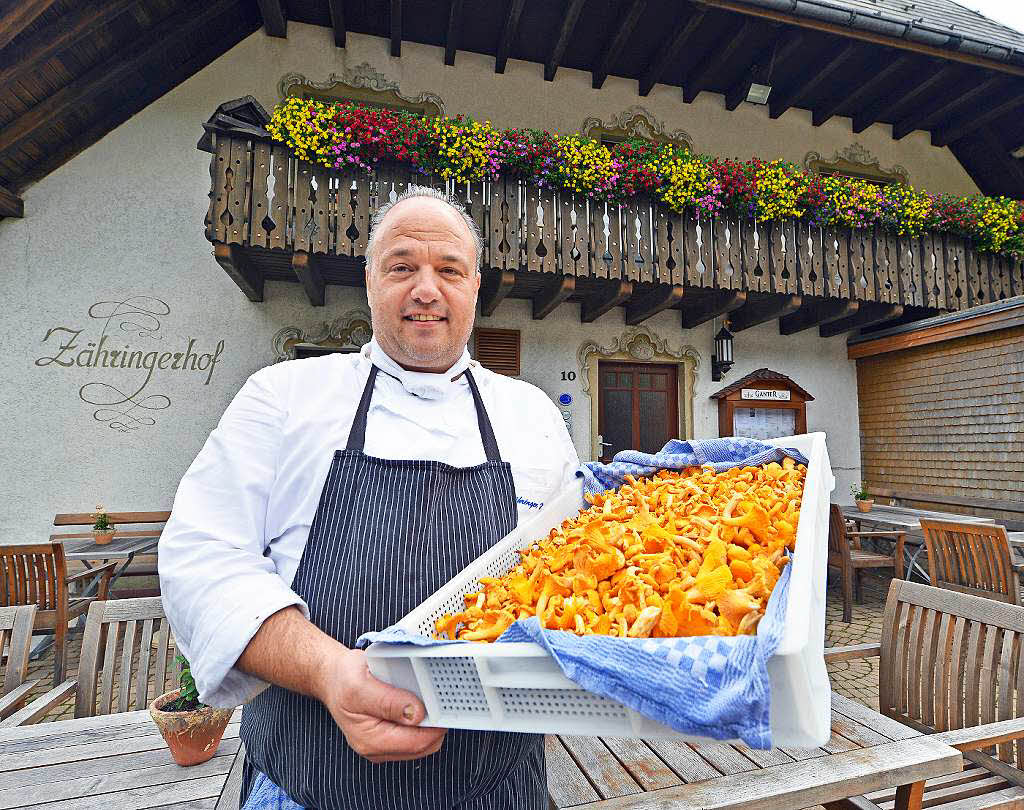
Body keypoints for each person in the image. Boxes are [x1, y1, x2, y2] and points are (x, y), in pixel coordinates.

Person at [159, 185, 580, 809]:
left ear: (475, 286)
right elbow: (202, 558)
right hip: (311, 781)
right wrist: (329, 672)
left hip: (501, 785)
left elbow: (566, 568)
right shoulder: (284, 396)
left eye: (449, 270)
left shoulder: (531, 414)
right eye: (403, 267)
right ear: (369, 279)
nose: (426, 289)